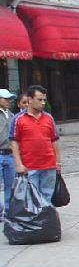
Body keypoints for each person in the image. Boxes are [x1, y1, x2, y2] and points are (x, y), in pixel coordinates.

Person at [9, 85, 61, 206]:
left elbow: (54, 141)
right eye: (40, 99)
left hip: (49, 165)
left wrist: (58, 162)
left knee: (47, 198)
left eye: (44, 100)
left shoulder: (48, 118)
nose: (43, 103)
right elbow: (14, 143)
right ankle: (35, 222)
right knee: (31, 198)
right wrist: (19, 164)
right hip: (29, 166)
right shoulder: (19, 119)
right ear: (30, 99)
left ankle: (45, 222)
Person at [0, 89, 16, 219]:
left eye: (9, 99)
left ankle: (9, 212)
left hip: (10, 154)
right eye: (5, 99)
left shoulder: (12, 115)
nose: (8, 101)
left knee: (10, 185)